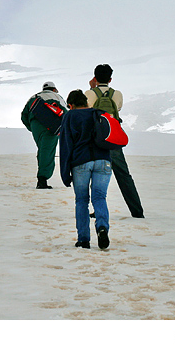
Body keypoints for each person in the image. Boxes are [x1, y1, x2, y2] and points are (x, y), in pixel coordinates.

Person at [84, 64, 145, 218]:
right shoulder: (117, 94)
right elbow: (118, 108)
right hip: (113, 139)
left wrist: (92, 89)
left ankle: (98, 210)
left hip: (95, 140)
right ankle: (137, 211)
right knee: (124, 175)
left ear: (95, 78)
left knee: (97, 174)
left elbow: (86, 109)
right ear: (110, 79)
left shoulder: (89, 94)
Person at [59, 89, 112, 249]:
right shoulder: (99, 113)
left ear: (71, 105)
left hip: (81, 162)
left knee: (82, 200)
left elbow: (66, 145)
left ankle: (83, 239)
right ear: (86, 102)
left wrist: (65, 173)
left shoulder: (70, 116)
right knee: (99, 197)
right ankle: (102, 227)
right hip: (103, 160)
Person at [21, 81, 67, 189]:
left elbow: (24, 116)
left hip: (35, 126)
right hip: (50, 126)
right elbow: (65, 112)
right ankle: (42, 180)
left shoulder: (34, 97)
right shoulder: (56, 96)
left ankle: (42, 176)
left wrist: (31, 127)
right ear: (54, 89)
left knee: (42, 150)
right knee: (47, 151)